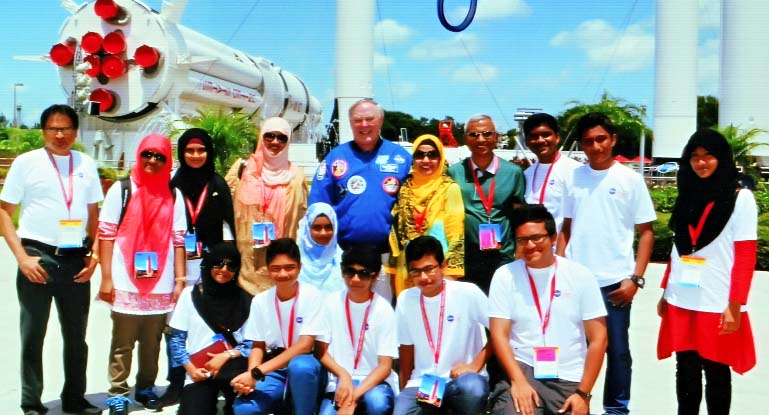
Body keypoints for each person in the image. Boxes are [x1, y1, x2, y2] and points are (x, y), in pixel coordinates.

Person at [0, 104, 103, 415]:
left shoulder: (85, 163)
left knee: (77, 337)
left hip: (75, 261)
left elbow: (94, 214)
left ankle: (74, 399)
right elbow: (4, 212)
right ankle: (31, 403)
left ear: (75, 131)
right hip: (37, 257)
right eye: (53, 129)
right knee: (33, 335)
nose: (60, 134)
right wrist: (22, 258)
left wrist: (94, 255)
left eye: (67, 128)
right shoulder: (26, 163)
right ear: (43, 131)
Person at [559, 112, 655, 415]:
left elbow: (647, 232)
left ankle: (615, 409)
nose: (595, 146)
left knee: (617, 352)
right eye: (588, 141)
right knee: (572, 350)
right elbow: (566, 227)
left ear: (612, 140)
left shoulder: (630, 180)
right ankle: (570, 404)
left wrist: (635, 280)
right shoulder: (573, 177)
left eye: (601, 139)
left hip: (615, 283)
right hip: (575, 281)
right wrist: (558, 271)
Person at [657, 129, 758, 415]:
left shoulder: (741, 198)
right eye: (695, 157)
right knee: (685, 368)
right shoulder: (687, 193)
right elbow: (679, 248)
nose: (701, 163)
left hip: (717, 299)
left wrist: (735, 305)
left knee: (716, 368)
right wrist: (666, 291)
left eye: (708, 156)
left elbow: (746, 255)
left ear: (722, 158)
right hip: (682, 297)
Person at [489, 204, 608, 415]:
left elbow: (599, 338)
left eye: (537, 238)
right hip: (522, 370)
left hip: (568, 377)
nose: (530, 245)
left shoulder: (580, 276)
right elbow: (499, 334)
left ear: (553, 238)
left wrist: (583, 394)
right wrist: (518, 381)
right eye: (522, 240)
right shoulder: (504, 276)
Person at [98, 134, 187, 414]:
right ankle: (118, 393)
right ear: (139, 155)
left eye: (160, 156)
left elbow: (178, 240)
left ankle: (146, 388)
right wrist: (107, 278)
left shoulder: (173, 194)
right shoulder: (122, 189)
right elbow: (106, 234)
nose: (153, 161)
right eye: (148, 154)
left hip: (160, 282)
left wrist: (180, 281)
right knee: (122, 344)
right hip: (125, 279)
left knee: (151, 346)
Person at [160, 127, 237, 407]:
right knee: (175, 327)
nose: (195, 155)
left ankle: (216, 375)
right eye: (190, 150)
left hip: (210, 268)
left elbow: (231, 227)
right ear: (182, 153)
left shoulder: (217, 184)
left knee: (213, 324)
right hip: (177, 265)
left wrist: (230, 263)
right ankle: (175, 382)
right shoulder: (171, 183)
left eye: (201, 150)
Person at [309, 98, 412, 300]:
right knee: (346, 316)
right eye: (358, 120)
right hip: (345, 254)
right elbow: (318, 207)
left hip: (387, 258)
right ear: (350, 123)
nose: (364, 125)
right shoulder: (335, 158)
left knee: (381, 315)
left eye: (369, 119)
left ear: (380, 121)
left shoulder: (401, 158)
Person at [394, 235, 490, 415]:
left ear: (443, 265)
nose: (423, 277)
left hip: (461, 379)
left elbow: (501, 331)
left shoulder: (468, 293)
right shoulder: (406, 299)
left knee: (473, 390)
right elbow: (406, 351)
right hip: (424, 383)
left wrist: (475, 365)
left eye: (429, 269)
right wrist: (405, 390)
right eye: (416, 271)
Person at [231, 238, 327, 415]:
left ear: (299, 267)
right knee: (244, 409)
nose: (283, 274)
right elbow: (258, 346)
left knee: (300, 366)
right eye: (276, 268)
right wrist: (251, 377)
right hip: (273, 368)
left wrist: (257, 373)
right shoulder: (260, 301)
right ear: (268, 269)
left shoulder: (312, 295)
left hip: (305, 365)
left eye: (289, 267)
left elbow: (305, 345)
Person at [168, 243, 252, 415]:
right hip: (200, 371)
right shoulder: (190, 295)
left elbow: (254, 343)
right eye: (218, 263)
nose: (224, 269)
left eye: (231, 265)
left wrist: (226, 355)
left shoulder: (246, 300)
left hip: (236, 371)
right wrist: (191, 369)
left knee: (246, 410)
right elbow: (176, 340)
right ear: (208, 264)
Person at [316, 245, 398, 415]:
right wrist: (344, 375)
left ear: (375, 277)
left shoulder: (383, 309)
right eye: (349, 271)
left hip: (375, 383)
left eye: (364, 274)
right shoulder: (330, 303)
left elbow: (385, 366)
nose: (355, 279)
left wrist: (353, 396)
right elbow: (321, 352)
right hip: (339, 381)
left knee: (378, 403)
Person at [447, 114, 525, 293]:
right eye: (474, 135)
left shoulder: (513, 172)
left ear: (496, 137)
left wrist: (519, 251)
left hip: (502, 255)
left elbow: (519, 214)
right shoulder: (454, 172)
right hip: (467, 256)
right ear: (465, 138)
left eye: (487, 134)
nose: (481, 139)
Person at [232, 117, 308, 294]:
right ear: (261, 137)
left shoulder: (297, 176)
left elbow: (302, 218)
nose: (275, 141)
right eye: (269, 136)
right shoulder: (242, 169)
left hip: (282, 267)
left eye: (282, 138)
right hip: (247, 264)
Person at [388, 134, 465, 296]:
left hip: (437, 270)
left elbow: (456, 234)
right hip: (406, 268)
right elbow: (396, 230)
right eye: (420, 154)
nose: (426, 160)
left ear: (440, 158)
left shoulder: (449, 188)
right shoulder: (405, 188)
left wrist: (452, 271)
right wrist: (393, 268)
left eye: (432, 155)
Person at [522, 113, 582, 238]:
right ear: (527, 142)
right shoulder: (526, 174)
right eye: (534, 136)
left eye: (546, 135)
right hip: (534, 249)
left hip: (564, 252)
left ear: (557, 137)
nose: (540, 140)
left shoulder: (576, 171)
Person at [297, 202, 346, 293]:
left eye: (328, 227)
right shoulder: (294, 261)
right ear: (307, 229)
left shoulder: (343, 261)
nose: (323, 233)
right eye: (317, 228)